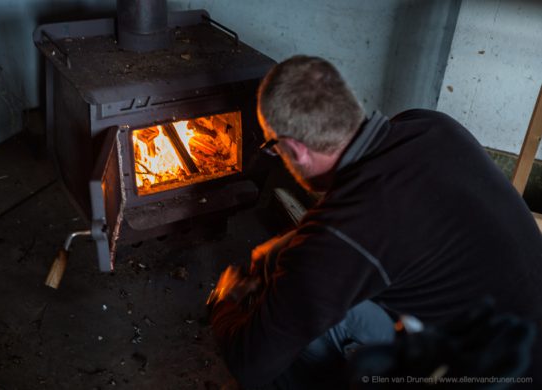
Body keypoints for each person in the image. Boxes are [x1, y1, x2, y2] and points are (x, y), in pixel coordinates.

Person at [207, 55, 542, 389]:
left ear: (296, 149)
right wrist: (290, 245)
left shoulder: (340, 239)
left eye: (272, 146)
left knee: (294, 339)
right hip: (518, 335)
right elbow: (369, 224)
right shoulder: (429, 125)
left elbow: (249, 363)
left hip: (498, 375)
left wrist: (224, 302)